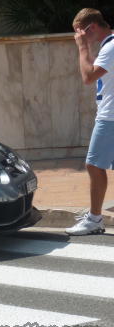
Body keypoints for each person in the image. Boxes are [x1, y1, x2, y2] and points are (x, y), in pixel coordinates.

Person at [66, 8, 114, 235]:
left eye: (80, 33)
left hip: (110, 116)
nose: (79, 37)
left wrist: (82, 47)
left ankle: (94, 219)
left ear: (91, 27)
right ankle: (95, 217)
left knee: (93, 165)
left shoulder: (111, 46)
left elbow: (88, 77)